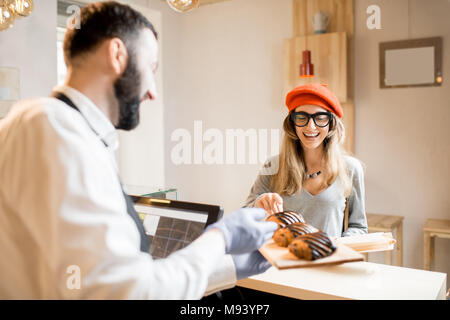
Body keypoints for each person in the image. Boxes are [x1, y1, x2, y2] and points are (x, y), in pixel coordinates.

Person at [0, 1, 277, 299]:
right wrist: (220, 238)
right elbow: (126, 293)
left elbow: (121, 279)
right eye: (151, 68)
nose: (152, 91)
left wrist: (230, 268)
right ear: (117, 54)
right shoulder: (54, 129)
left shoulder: (45, 126)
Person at [244, 83, 368, 238]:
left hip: (328, 259)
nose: (311, 126)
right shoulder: (273, 166)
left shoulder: (351, 168)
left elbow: (359, 226)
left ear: (331, 123)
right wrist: (259, 203)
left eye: (320, 118)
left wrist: (336, 245)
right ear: (292, 124)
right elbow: (244, 217)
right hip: (284, 260)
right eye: (302, 117)